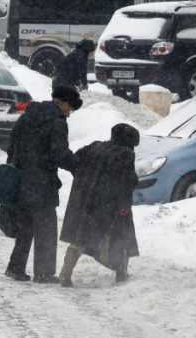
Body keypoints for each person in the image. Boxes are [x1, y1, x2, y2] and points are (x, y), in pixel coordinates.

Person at [5, 86, 83, 283]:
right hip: (42, 182)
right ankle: (44, 272)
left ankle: (15, 267)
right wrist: (78, 167)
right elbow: (59, 153)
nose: (69, 113)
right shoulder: (57, 122)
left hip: (22, 179)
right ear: (63, 103)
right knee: (46, 228)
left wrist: (16, 165)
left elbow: (12, 143)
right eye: (70, 108)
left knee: (26, 226)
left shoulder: (28, 115)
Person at [58, 123, 140, 287]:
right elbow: (127, 182)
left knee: (81, 236)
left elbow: (75, 162)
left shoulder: (95, 146)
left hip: (86, 201)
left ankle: (65, 273)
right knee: (123, 235)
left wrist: (85, 181)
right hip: (109, 204)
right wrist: (124, 204)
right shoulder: (126, 154)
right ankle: (121, 273)